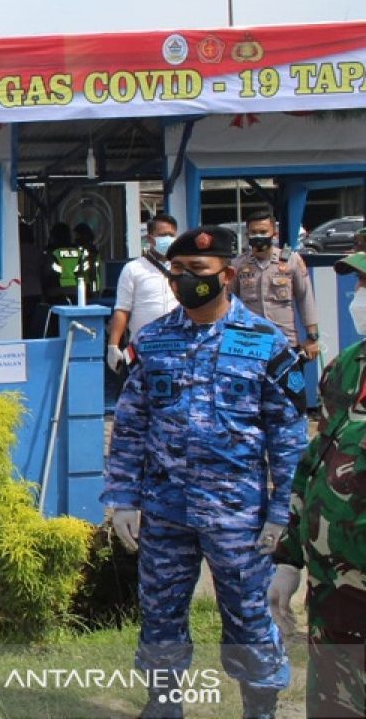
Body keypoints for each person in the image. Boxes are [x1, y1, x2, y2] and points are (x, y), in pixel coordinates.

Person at [102, 225, 308, 719]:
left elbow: (289, 436)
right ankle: (163, 705)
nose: (185, 281)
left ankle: (260, 707)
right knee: (161, 615)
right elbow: (130, 426)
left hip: (240, 517)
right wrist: (124, 498)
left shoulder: (266, 343)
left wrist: (283, 513)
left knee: (249, 618)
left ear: (227, 275)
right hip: (165, 512)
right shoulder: (152, 343)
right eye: (177, 273)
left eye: (197, 271)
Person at [268, 250, 366, 719]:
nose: (358, 297)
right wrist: (289, 558)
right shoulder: (348, 367)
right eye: (360, 285)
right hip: (335, 594)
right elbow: (316, 458)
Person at [229, 209, 320, 410]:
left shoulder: (291, 261)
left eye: (263, 231)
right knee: (250, 402)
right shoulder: (237, 266)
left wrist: (312, 338)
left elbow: (305, 298)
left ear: (274, 234)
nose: (258, 236)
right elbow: (229, 306)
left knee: (290, 400)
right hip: (249, 344)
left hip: (285, 344)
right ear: (247, 235)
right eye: (253, 232)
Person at [106, 213, 179, 372]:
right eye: (162, 235)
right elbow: (122, 310)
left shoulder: (183, 267)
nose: (168, 239)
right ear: (149, 239)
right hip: (143, 348)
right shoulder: (133, 269)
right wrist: (113, 345)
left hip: (178, 346)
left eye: (171, 235)